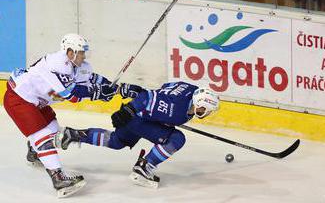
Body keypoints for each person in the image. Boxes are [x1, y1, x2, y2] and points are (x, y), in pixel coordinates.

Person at [3, 33, 142, 197]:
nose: (83, 56)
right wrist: (98, 94)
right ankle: (59, 180)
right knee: (44, 137)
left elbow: (93, 79)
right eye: (81, 52)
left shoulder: (77, 64)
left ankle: (34, 151)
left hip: (39, 102)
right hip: (20, 99)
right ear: (70, 52)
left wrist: (118, 89)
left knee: (55, 133)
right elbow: (73, 95)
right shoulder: (56, 64)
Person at [55, 81, 220, 188]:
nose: (207, 113)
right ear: (200, 105)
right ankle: (144, 167)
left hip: (137, 117)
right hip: (136, 118)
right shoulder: (177, 112)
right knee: (176, 138)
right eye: (206, 110)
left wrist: (132, 109)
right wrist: (130, 110)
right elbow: (149, 98)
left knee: (116, 142)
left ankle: (74, 134)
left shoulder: (190, 88)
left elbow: (164, 87)